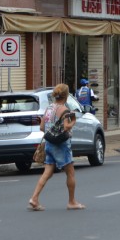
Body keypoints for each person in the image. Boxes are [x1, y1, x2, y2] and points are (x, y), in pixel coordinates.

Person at [28, 83, 85, 211]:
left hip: (49, 144)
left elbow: (42, 127)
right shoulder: (64, 110)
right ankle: (72, 201)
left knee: (47, 172)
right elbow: (66, 127)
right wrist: (73, 121)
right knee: (70, 172)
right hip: (61, 145)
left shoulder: (49, 108)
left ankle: (34, 198)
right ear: (66, 96)